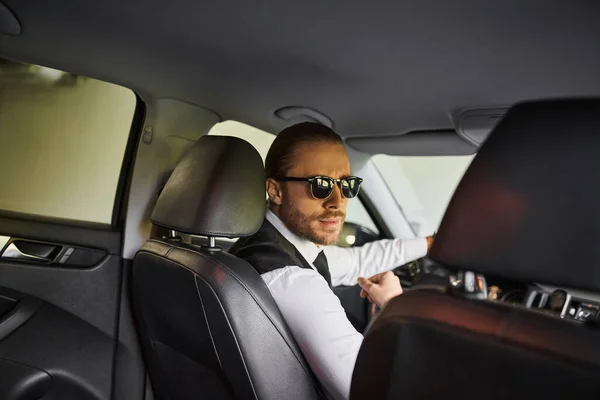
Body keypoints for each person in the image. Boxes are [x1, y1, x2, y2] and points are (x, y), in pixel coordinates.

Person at [230, 122, 433, 400]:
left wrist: (431, 243)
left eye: (347, 185)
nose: (338, 201)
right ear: (275, 190)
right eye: (320, 185)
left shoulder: (265, 246)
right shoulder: (294, 281)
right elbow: (373, 389)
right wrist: (396, 310)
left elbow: (357, 261)